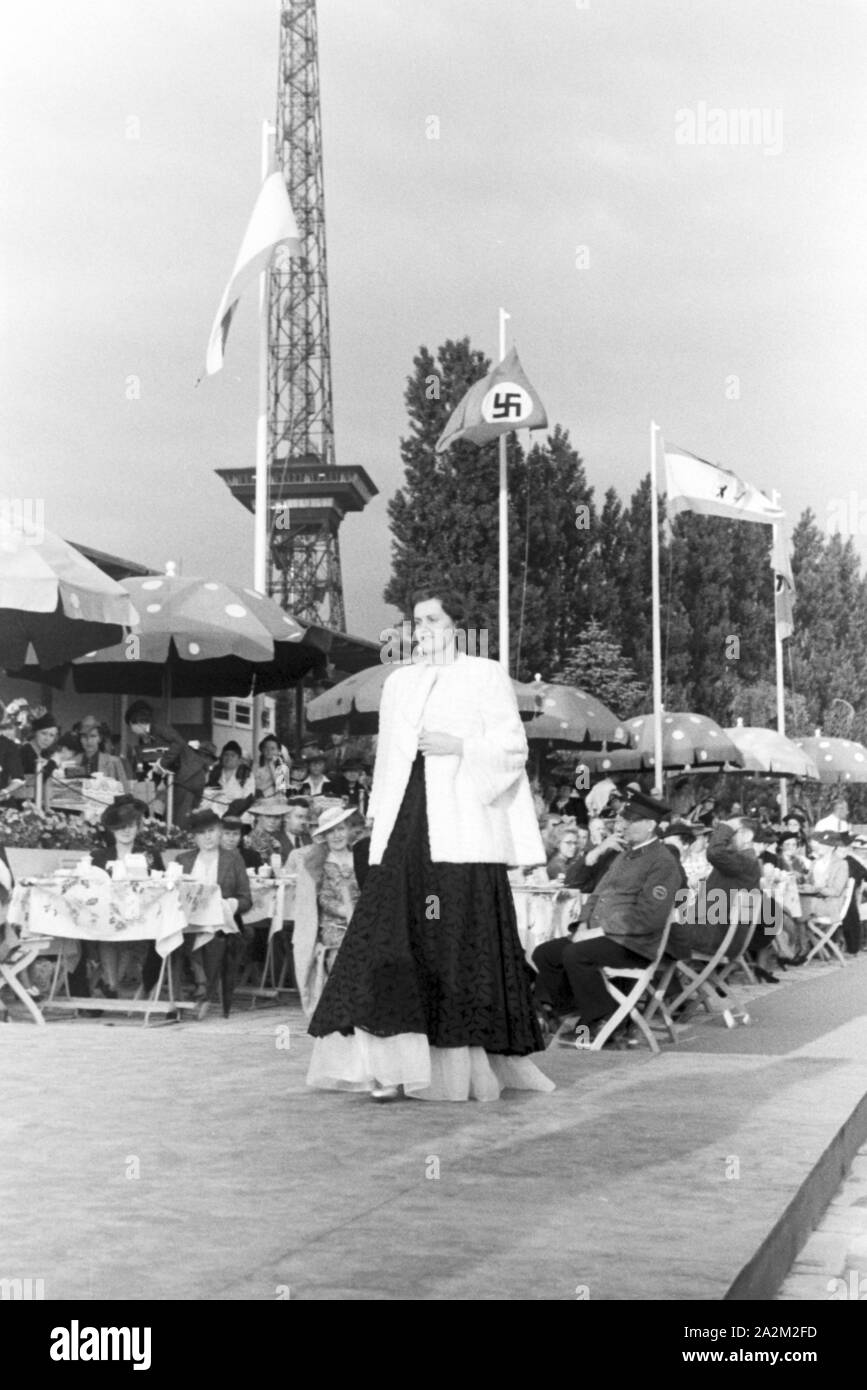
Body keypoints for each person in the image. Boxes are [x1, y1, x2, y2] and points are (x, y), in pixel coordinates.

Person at [306, 588, 553, 1103]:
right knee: (388, 940)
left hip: (463, 827)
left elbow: (513, 747)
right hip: (406, 826)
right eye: (416, 621)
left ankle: (455, 1068)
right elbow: (387, 763)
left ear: (457, 625)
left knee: (454, 941)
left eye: (433, 619)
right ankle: (389, 1066)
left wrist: (460, 746)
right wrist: (380, 822)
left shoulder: (484, 674)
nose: (422, 630)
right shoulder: (399, 683)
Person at [532, 791, 684, 1043]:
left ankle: (599, 1016)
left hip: (633, 943)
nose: (622, 824)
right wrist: (582, 923)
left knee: (575, 954)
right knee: (544, 953)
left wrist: (600, 931)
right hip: (603, 937)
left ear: (650, 825)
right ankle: (569, 1011)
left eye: (631, 820)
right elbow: (596, 894)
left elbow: (649, 917)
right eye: (623, 819)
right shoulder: (625, 854)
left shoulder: (662, 862)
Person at [175, 807, 252, 1019]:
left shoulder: (233, 859)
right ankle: (200, 985)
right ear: (194, 838)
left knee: (213, 936)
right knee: (179, 933)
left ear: (219, 831)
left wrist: (228, 904)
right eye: (201, 833)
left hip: (222, 921)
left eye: (211, 831)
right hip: (188, 919)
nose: (207, 837)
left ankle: (204, 992)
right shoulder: (184, 859)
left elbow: (247, 899)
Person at [88, 795, 165, 999]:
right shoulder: (99, 856)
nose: (126, 830)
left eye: (131, 825)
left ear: (138, 827)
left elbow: (162, 884)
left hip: (144, 918)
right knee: (108, 931)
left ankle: (111, 984)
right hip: (109, 918)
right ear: (112, 829)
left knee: (125, 936)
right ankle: (111, 985)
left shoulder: (150, 855)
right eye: (120, 826)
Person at [293, 803, 363, 1012]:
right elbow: (322, 897)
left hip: (362, 919)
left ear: (348, 830)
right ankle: (340, 1007)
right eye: (330, 831)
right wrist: (343, 911)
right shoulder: (319, 861)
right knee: (340, 954)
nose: (336, 835)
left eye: (340, 829)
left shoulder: (359, 857)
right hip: (334, 924)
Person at [123, 701, 209, 829]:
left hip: (189, 777)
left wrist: (162, 764)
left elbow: (178, 743)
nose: (132, 730)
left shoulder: (159, 728)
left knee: (178, 821)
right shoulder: (150, 735)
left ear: (137, 722)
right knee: (182, 818)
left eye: (131, 725)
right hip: (186, 777)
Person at [13, 712, 59, 803]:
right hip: (20, 803)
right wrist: (53, 763)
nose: (47, 739)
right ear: (35, 733)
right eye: (44, 733)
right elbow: (39, 779)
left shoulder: (40, 753)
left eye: (51, 735)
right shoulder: (25, 752)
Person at [202, 740, 255, 818]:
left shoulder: (246, 774)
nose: (228, 758)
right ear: (222, 757)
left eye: (233, 755)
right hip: (213, 815)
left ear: (239, 760)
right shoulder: (214, 772)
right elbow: (205, 794)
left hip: (238, 816)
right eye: (226, 755)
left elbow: (248, 799)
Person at [254, 735, 291, 800]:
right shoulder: (256, 765)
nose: (269, 751)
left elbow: (282, 790)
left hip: (276, 800)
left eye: (272, 749)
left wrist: (272, 767)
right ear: (262, 749)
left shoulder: (282, 767)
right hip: (258, 799)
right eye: (266, 748)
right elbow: (254, 786)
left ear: (278, 751)